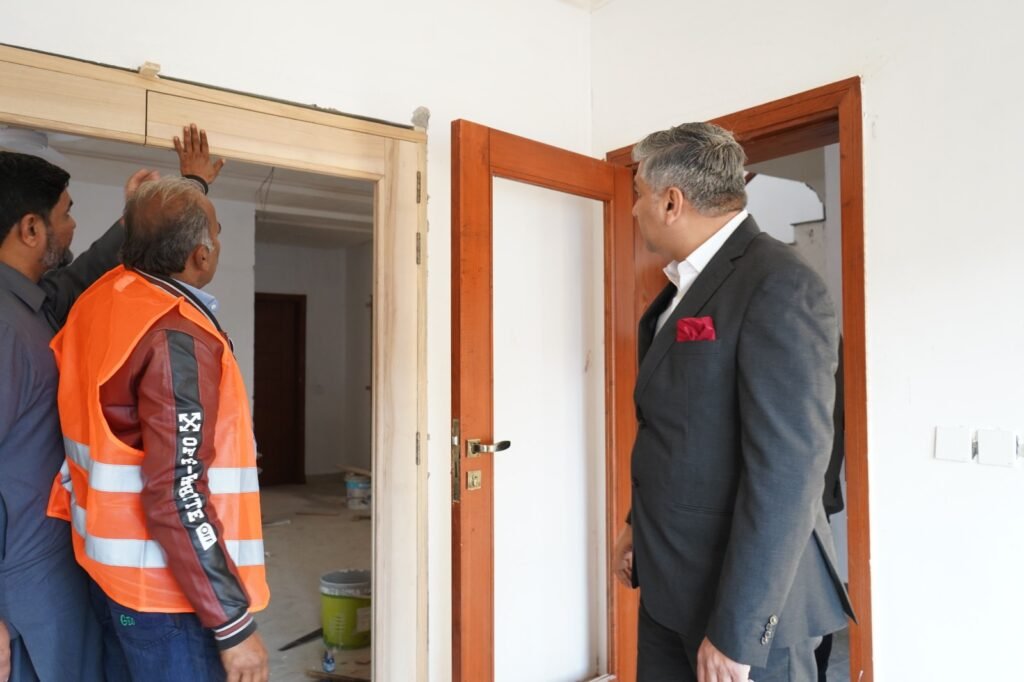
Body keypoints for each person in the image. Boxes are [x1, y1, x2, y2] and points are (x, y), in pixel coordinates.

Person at [611, 122, 855, 682]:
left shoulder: (780, 284)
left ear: (671, 202)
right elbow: (682, 434)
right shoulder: (680, 290)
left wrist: (737, 629)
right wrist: (636, 526)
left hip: (741, 608)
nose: (633, 210)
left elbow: (789, 472)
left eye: (638, 194)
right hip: (670, 585)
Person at [0, 125, 224, 682]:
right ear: (31, 229)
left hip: (70, 566)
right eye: (66, 213)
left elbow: (90, 271)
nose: (74, 225)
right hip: (23, 595)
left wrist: (177, 194)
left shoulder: (37, 302)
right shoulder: (5, 327)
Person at [47, 177, 270, 682]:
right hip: (170, 598)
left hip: (109, 577)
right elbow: (177, 493)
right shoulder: (173, 335)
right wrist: (232, 624)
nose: (217, 241)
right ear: (199, 255)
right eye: (216, 232)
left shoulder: (100, 301)